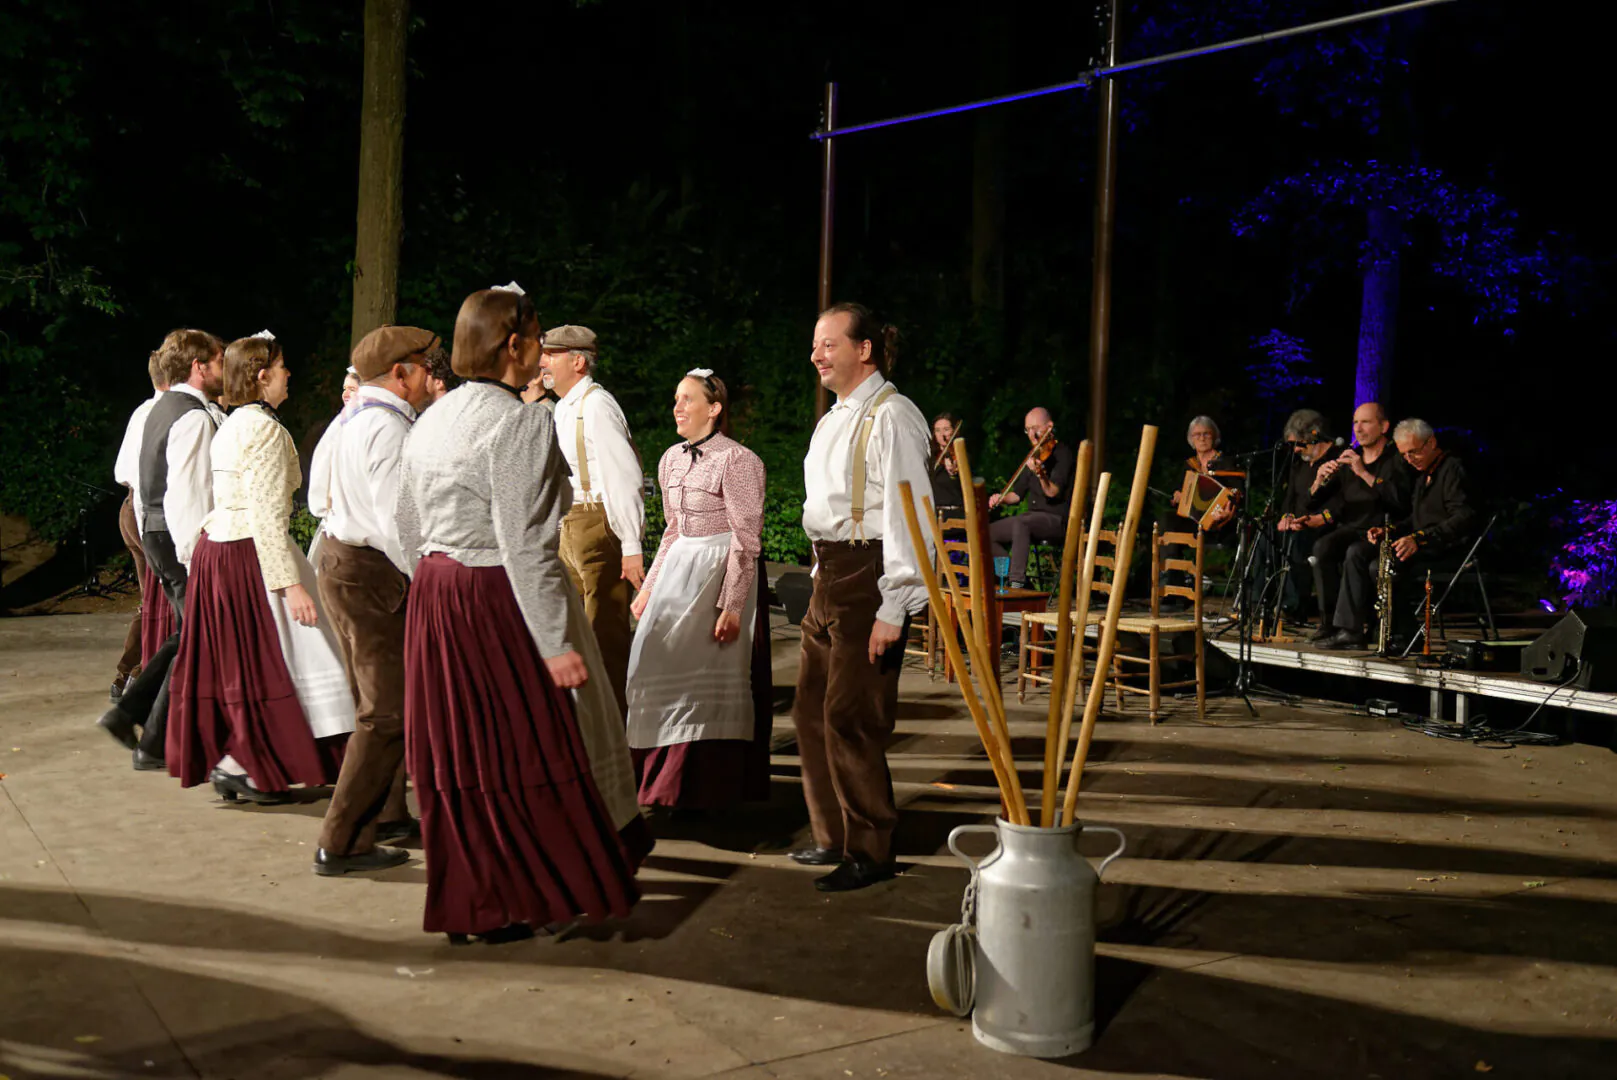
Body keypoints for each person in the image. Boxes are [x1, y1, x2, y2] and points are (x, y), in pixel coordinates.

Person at [395, 284, 644, 943]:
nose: (541, 351)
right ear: (515, 345)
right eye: (536, 337)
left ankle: (471, 902)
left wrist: (429, 583)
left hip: (434, 591)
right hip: (492, 595)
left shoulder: (434, 416)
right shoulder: (523, 421)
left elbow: (403, 523)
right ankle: (521, 895)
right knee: (523, 747)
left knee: (460, 752)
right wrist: (554, 640)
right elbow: (525, 542)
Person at [165, 332, 356, 800]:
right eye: (284, 366)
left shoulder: (233, 423)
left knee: (249, 661)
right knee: (290, 654)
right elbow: (268, 516)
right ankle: (249, 762)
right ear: (262, 374)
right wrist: (291, 584)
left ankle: (243, 759)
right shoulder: (265, 430)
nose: (290, 374)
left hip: (221, 547)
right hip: (248, 550)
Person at [793, 302, 934, 892]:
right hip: (827, 574)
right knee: (809, 714)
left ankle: (871, 849)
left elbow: (910, 514)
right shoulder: (835, 418)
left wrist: (894, 604)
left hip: (868, 574)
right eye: (816, 344)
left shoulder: (893, 416)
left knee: (852, 717)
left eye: (828, 344)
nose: (816, 355)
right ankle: (833, 834)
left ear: (864, 349)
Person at [311, 325, 439, 876]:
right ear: (401, 373)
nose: (430, 376)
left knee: (383, 705)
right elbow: (396, 523)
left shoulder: (351, 419)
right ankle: (340, 841)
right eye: (423, 366)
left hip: (342, 561)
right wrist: (429, 580)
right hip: (369, 571)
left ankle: (383, 816)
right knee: (385, 713)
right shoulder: (386, 428)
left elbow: (318, 494)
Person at [626, 369, 771, 810]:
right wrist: (649, 587)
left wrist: (732, 604)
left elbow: (747, 539)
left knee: (711, 676)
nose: (678, 407)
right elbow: (672, 530)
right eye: (675, 398)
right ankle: (658, 781)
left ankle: (705, 788)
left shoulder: (739, 460)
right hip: (679, 568)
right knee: (647, 663)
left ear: (714, 408)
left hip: (719, 571)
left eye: (687, 399)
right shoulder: (671, 458)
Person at [96, 329, 225, 770]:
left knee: (191, 633)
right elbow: (187, 493)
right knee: (200, 634)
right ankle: (140, 728)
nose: (223, 368)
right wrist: (196, 554)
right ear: (199, 366)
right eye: (218, 360)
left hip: (156, 530)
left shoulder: (161, 407)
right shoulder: (190, 415)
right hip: (174, 535)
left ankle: (134, 722)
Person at [542, 325, 645, 714]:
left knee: (605, 636)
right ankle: (584, 725)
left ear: (578, 361)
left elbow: (624, 477)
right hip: (570, 522)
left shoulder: (597, 405)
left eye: (552, 355)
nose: (543, 362)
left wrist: (631, 545)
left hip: (598, 523)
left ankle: (614, 729)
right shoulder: (566, 405)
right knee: (573, 633)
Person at [1329, 419, 1479, 650]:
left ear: (1431, 443)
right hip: (1423, 542)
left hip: (1447, 547)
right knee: (1358, 551)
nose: (1410, 460)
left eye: (1414, 452)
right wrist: (1389, 530)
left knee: (1382, 565)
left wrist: (1419, 538)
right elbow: (1416, 519)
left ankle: (1405, 633)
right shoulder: (1422, 475)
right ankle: (1351, 630)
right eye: (1405, 455)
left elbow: (1463, 518)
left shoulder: (1452, 469)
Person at [1306, 402, 1413, 647]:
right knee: (1323, 547)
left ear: (1384, 426)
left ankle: (1351, 630)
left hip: (1384, 530)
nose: (1358, 429)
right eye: (1355, 422)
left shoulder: (1396, 458)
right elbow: (1313, 502)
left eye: (1365, 422)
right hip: (1353, 528)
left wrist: (1363, 472)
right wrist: (1319, 479)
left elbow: (1400, 501)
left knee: (1356, 552)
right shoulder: (1350, 457)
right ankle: (1329, 623)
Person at [109, 352, 169, 702]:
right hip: (148, 510)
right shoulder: (165, 414)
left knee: (150, 601)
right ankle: (137, 678)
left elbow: (120, 469)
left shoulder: (141, 411)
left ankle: (125, 676)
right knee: (161, 601)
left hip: (129, 507)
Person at [987, 407, 1075, 589]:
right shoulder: (1033, 456)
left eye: (1036, 428)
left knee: (1022, 523)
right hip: (1032, 518)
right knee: (987, 532)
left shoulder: (1062, 454)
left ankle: (1016, 583)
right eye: (1028, 429)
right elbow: (1017, 495)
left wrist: (1041, 475)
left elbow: (1052, 492)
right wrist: (1001, 498)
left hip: (1056, 520)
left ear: (1049, 427)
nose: (1032, 434)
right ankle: (1017, 579)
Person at [1273, 409, 1342, 621]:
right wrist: (1286, 516)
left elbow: (1341, 500)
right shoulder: (1300, 464)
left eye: (1299, 444)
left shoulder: (1338, 459)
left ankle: (1295, 606)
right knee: (1267, 534)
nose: (1296, 450)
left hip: (1327, 524)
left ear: (1315, 436)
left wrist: (1318, 518)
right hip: (1300, 521)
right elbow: (1291, 498)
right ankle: (1261, 602)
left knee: (1299, 539)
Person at [1166, 415, 1239, 532]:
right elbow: (1175, 491)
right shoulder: (1189, 465)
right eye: (1197, 435)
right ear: (1191, 439)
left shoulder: (1225, 462)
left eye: (1206, 434)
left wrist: (1227, 509)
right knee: (1167, 521)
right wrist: (1177, 496)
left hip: (1221, 519)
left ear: (1214, 436)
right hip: (1192, 520)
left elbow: (1237, 491)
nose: (1202, 438)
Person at [929, 412, 965, 512]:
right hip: (934, 514)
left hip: (956, 512)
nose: (942, 434)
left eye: (946, 429)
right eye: (938, 430)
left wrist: (953, 473)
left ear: (954, 431)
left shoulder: (960, 456)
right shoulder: (931, 458)